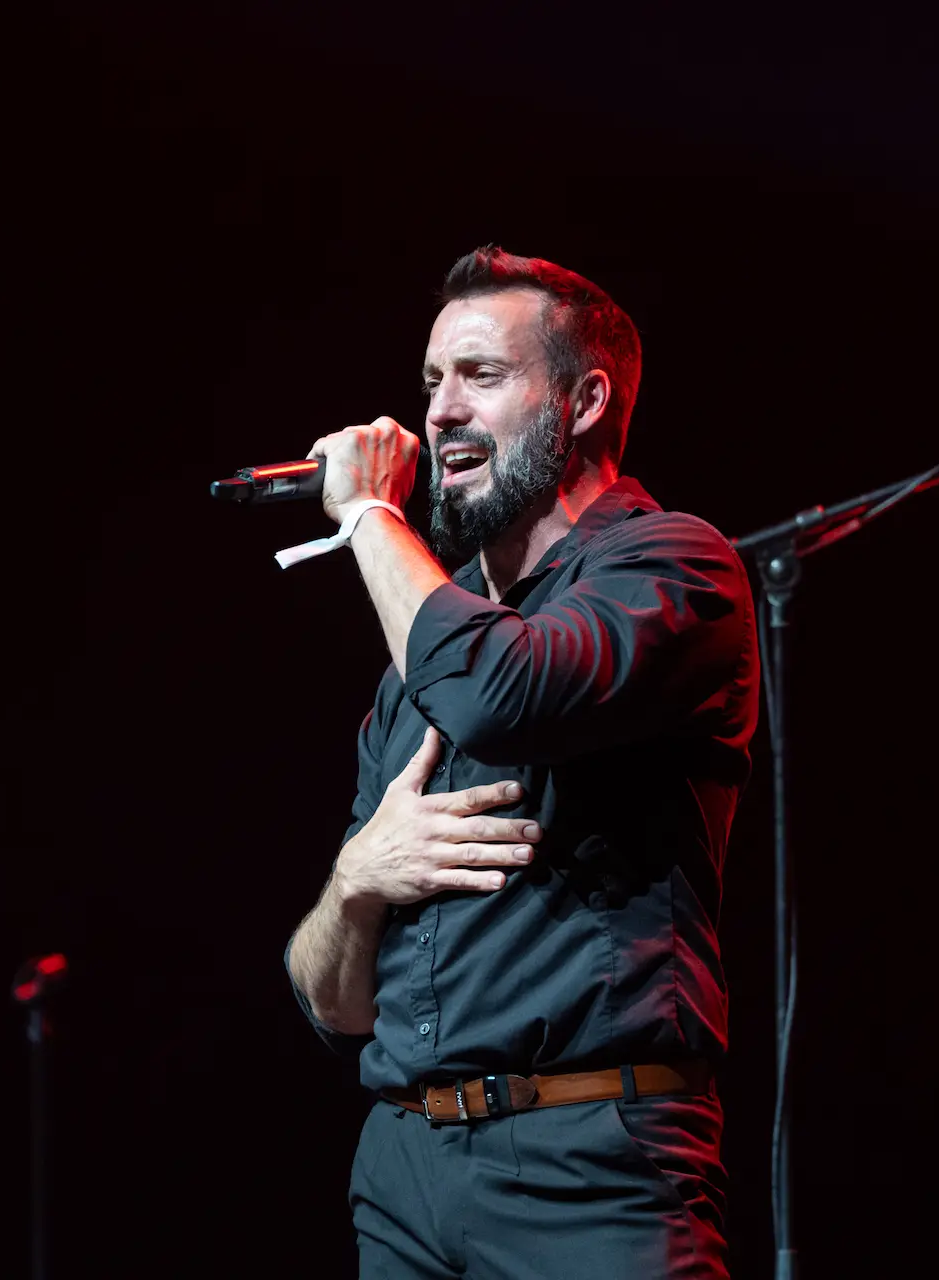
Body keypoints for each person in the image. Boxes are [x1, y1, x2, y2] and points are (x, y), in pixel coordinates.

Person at [284, 246, 759, 1278]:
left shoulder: (673, 565)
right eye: (431, 381)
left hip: (587, 1163)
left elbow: (502, 695)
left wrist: (368, 515)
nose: (438, 413)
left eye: (481, 376)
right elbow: (334, 1006)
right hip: (404, 1170)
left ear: (584, 401)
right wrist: (356, 880)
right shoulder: (420, 659)